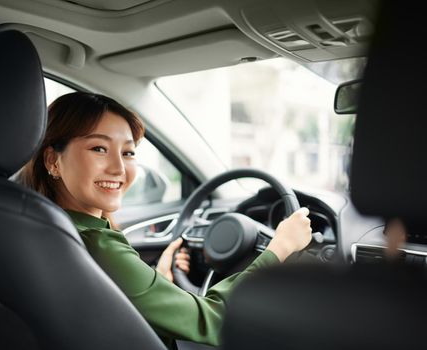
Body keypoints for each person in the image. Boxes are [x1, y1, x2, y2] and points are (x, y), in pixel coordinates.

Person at [20, 91, 312, 349]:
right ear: (52, 161)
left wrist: (154, 281)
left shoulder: (36, 224)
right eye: (99, 148)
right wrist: (279, 248)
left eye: (128, 152)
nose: (118, 167)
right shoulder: (95, 244)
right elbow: (212, 321)